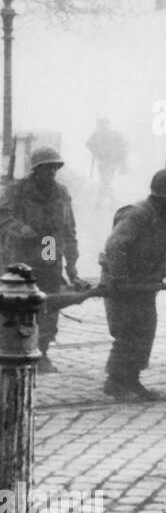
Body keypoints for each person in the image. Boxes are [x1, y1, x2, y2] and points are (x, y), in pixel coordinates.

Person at [100, 168, 166, 402]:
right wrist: (120, 280)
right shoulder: (138, 214)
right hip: (123, 283)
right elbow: (114, 246)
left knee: (145, 330)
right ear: (165, 195)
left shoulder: (163, 217)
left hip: (143, 284)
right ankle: (116, 382)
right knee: (127, 331)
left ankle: (132, 381)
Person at [0, 146, 87, 372]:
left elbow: (69, 230)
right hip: (20, 252)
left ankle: (43, 352)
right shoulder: (17, 190)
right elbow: (4, 217)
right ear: (35, 170)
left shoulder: (61, 192)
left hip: (49, 249)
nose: (50, 174)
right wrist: (21, 228)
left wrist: (72, 265)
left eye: (54, 169)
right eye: (46, 169)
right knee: (20, 303)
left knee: (49, 302)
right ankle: (16, 351)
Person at [86, 118, 128, 206]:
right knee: (105, 181)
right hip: (102, 162)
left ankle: (104, 202)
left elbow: (123, 147)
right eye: (101, 125)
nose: (103, 126)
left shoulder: (115, 134)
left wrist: (122, 164)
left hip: (113, 162)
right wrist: (97, 150)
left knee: (106, 181)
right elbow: (88, 144)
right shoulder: (96, 135)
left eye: (105, 124)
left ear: (108, 125)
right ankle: (110, 201)